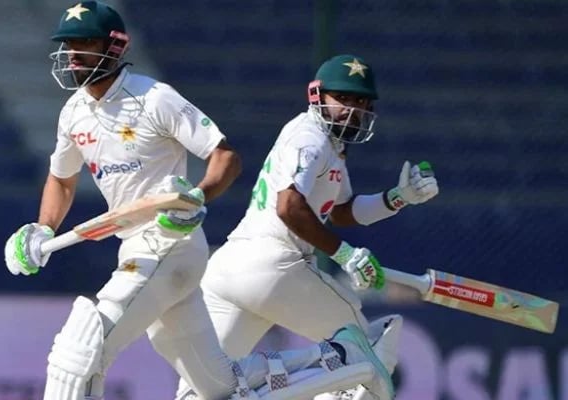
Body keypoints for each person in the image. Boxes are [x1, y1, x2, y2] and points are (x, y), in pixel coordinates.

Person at [4, 2, 395, 399]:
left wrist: (195, 197)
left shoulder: (154, 98)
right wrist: (43, 228)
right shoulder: (73, 113)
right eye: (68, 44)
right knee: (217, 387)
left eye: (83, 42)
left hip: (169, 244)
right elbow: (61, 179)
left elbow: (226, 158)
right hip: (135, 247)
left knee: (82, 351)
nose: (72, 54)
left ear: (114, 47)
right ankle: (336, 357)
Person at [176, 54, 440, 400]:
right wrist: (344, 254)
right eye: (342, 99)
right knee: (369, 348)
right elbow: (289, 207)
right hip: (274, 264)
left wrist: (397, 197)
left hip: (231, 269)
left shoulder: (331, 145)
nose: (352, 109)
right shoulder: (309, 137)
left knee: (205, 391)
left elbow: (341, 211)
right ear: (317, 96)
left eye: (360, 101)